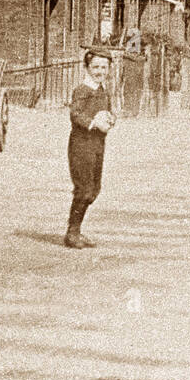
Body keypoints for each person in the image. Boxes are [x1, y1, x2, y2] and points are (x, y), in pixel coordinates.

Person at [65, 48, 116, 249]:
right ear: (87, 68)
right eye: (95, 67)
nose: (100, 71)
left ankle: (77, 229)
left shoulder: (103, 91)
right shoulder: (82, 90)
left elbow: (110, 112)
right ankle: (72, 232)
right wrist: (94, 123)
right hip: (81, 145)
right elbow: (75, 115)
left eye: (104, 67)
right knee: (84, 189)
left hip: (97, 145)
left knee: (94, 189)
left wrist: (111, 119)